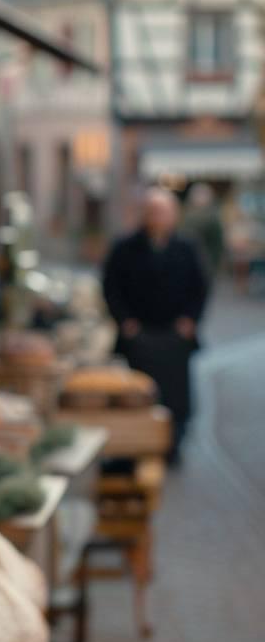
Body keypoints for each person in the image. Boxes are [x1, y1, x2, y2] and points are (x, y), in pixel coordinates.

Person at [101, 187, 209, 464]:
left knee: (176, 396)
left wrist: (190, 320)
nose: (157, 217)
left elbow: (201, 287)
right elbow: (111, 287)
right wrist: (125, 322)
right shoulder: (125, 248)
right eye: (152, 211)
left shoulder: (187, 247)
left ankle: (173, 444)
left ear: (174, 215)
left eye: (163, 211)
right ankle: (137, 445)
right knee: (138, 394)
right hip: (140, 336)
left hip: (174, 336)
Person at [181, 182, 224, 278]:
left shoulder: (212, 218)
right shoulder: (187, 215)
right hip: (188, 260)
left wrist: (213, 263)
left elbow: (217, 244)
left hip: (206, 261)